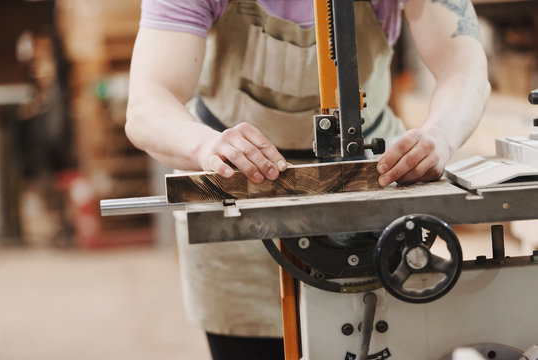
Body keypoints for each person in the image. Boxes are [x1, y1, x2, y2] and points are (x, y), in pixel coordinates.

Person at [125, 0, 490, 359]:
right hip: (241, 198)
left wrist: (441, 135)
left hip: (372, 184)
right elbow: (148, 102)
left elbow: (462, 64)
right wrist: (204, 145)